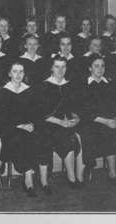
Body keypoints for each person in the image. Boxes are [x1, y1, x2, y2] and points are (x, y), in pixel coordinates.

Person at [37, 56, 83, 194]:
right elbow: (41, 113)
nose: (60, 70)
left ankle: (71, 177)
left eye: (63, 67)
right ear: (51, 68)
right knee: (44, 139)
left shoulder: (69, 85)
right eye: (57, 66)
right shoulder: (43, 85)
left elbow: (74, 107)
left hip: (65, 124)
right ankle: (44, 182)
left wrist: (76, 118)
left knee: (69, 137)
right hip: (47, 123)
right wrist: (61, 122)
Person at [78, 55, 116, 185]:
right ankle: (87, 168)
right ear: (89, 68)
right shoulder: (84, 85)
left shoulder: (109, 84)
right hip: (90, 120)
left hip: (107, 120)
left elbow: (115, 105)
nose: (100, 69)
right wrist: (105, 121)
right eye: (96, 66)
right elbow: (84, 110)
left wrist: (113, 119)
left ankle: (112, 173)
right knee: (89, 131)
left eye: (102, 66)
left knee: (113, 130)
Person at [0, 62, 40, 197]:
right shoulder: (3, 91)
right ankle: (28, 181)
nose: (18, 75)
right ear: (9, 73)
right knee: (21, 138)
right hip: (9, 129)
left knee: (33, 137)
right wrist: (20, 126)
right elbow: (2, 117)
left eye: (21, 72)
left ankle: (28, 178)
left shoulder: (29, 90)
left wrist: (31, 124)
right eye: (15, 71)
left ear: (24, 74)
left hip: (26, 128)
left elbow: (34, 113)